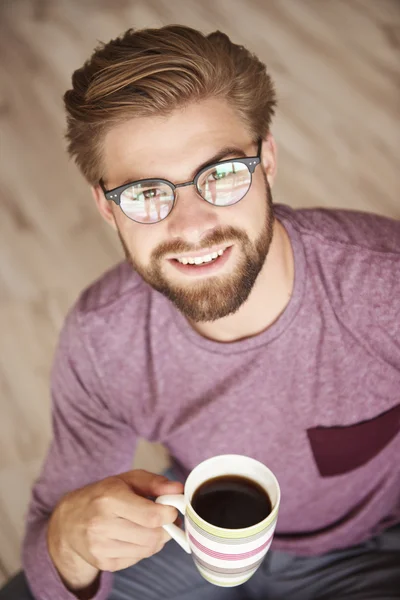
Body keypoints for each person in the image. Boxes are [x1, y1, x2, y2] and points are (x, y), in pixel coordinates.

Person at [1, 24, 399, 600]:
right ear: (107, 208)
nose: (190, 227)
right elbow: (51, 547)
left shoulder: (383, 285)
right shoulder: (103, 337)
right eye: (144, 193)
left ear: (266, 162)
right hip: (194, 536)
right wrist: (70, 540)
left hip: (363, 552)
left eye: (223, 175)